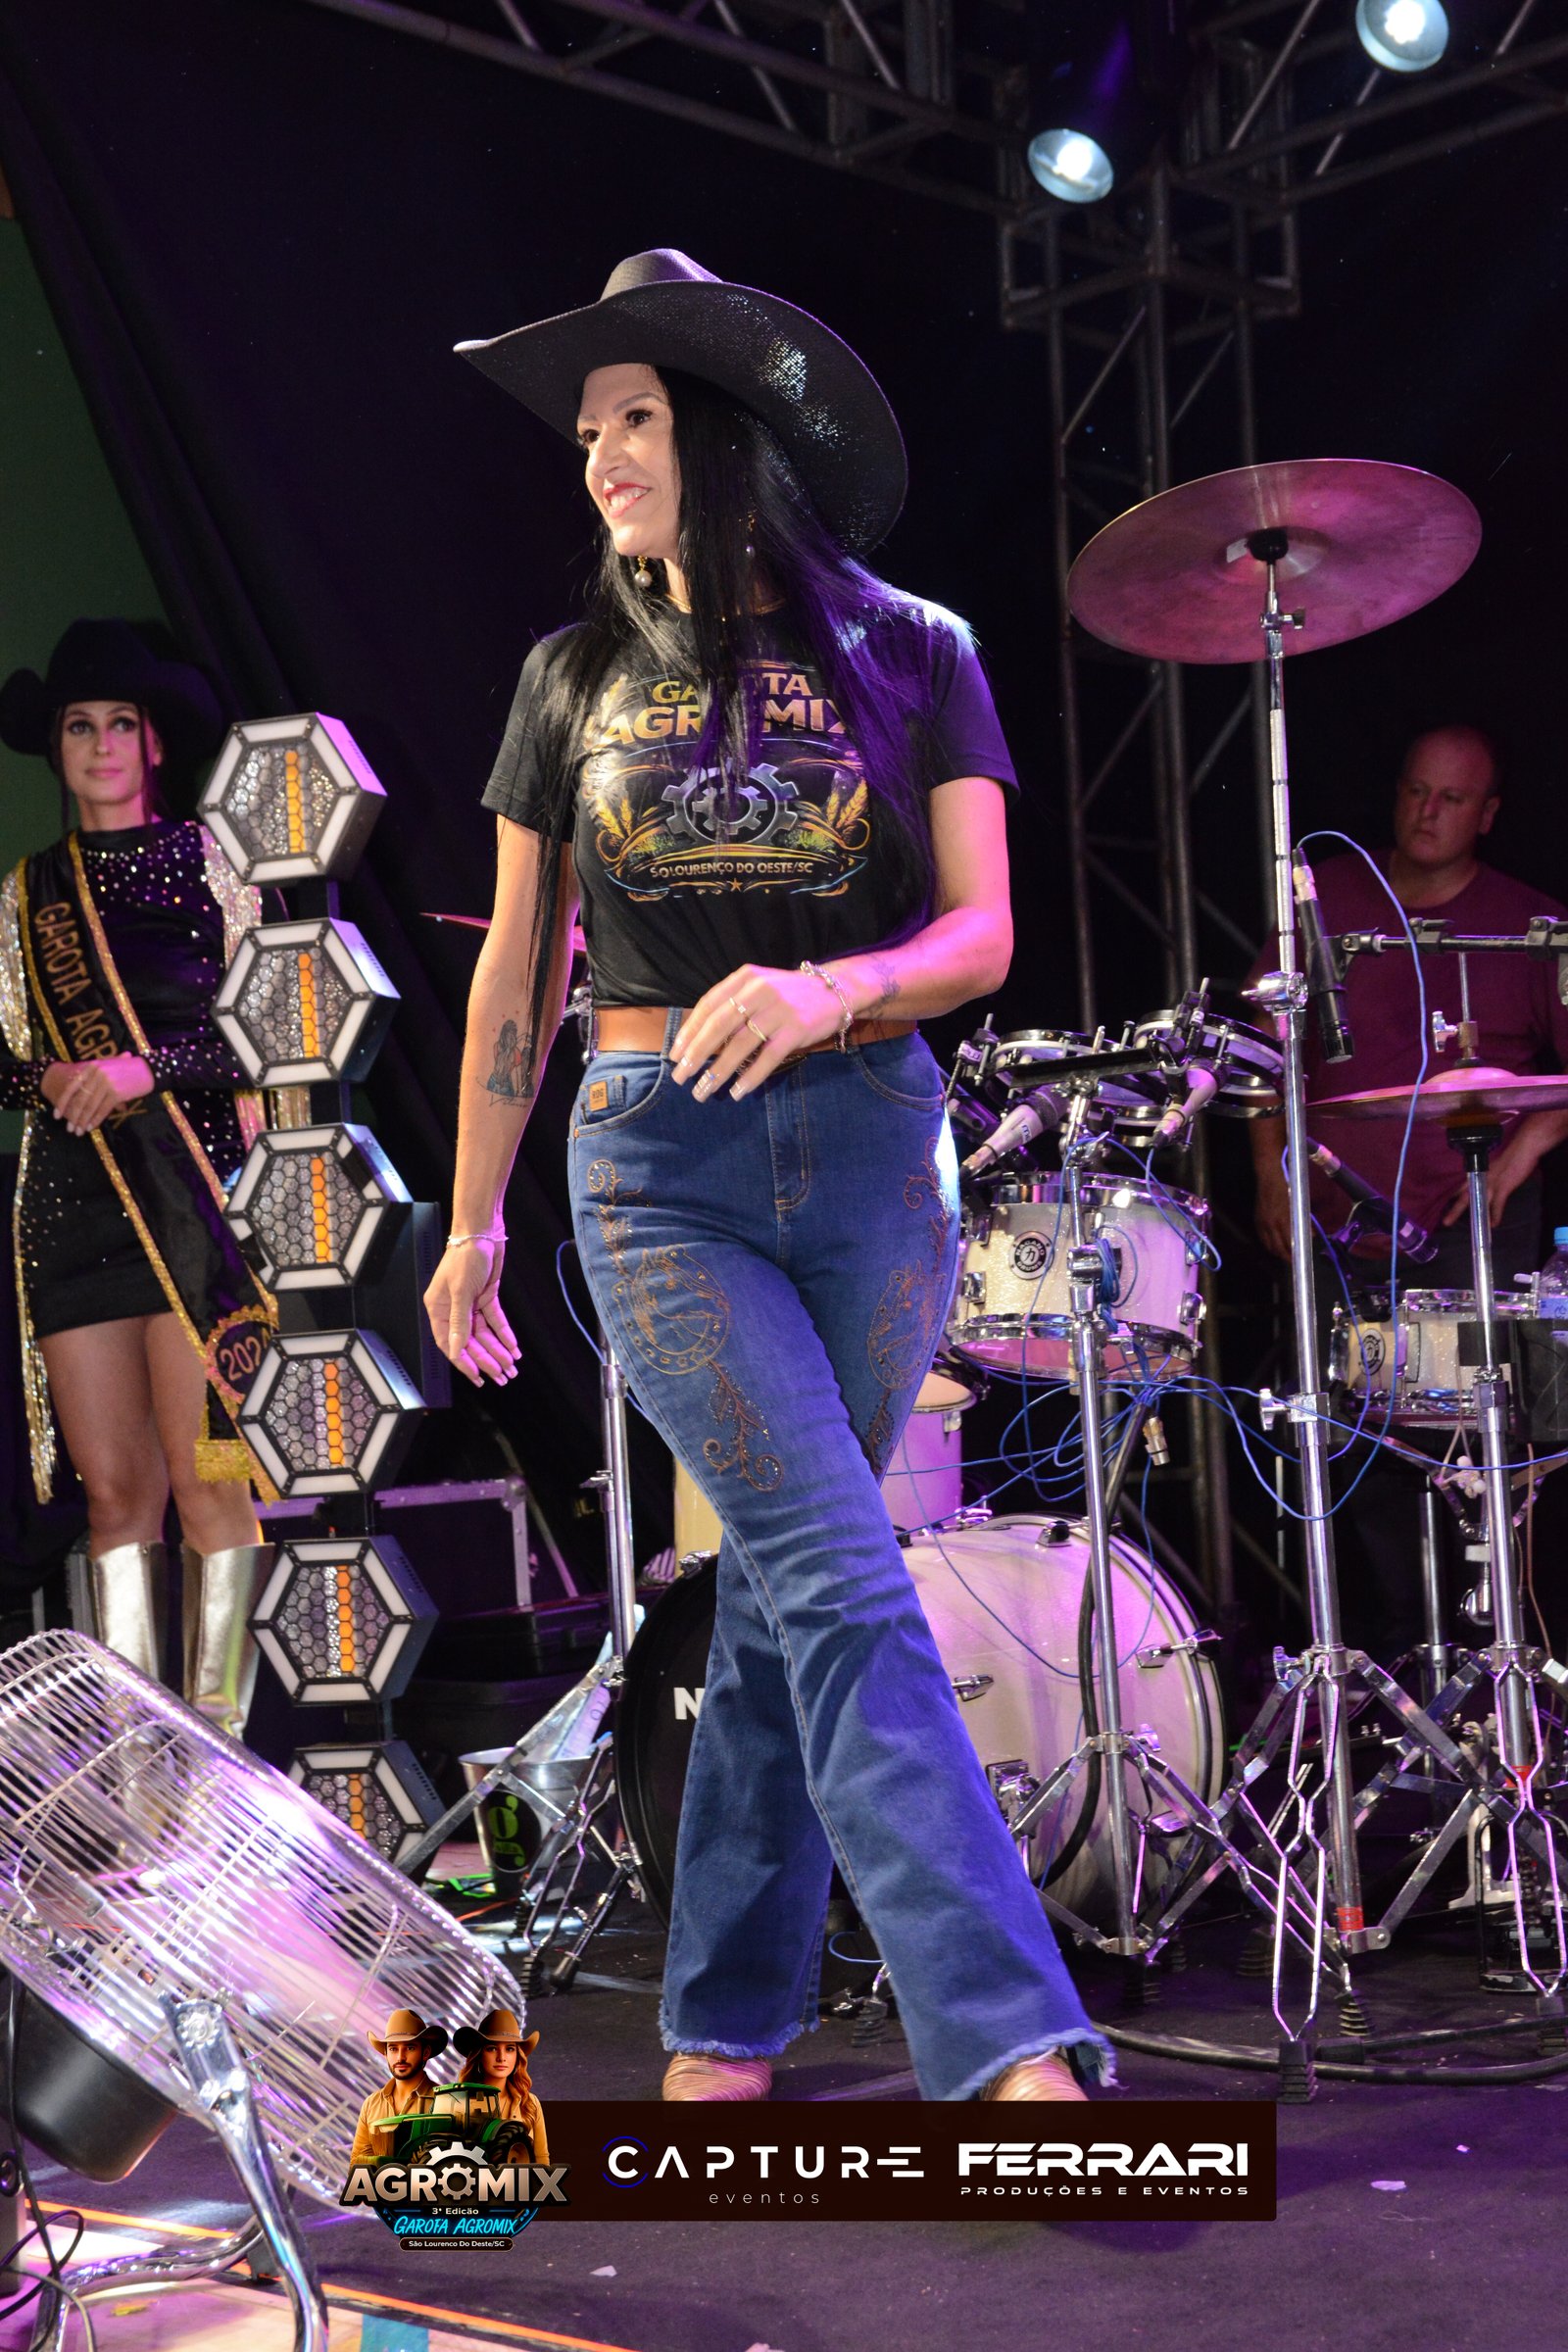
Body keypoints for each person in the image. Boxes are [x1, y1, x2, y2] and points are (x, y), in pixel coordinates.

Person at [425, 249, 1109, 2105]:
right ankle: (1008, 2029)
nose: (599, 458)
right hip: (660, 1167)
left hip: (878, 1146)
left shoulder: (916, 649)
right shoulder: (570, 676)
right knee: (841, 1574)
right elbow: (516, 971)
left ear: (726, 434)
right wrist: (474, 1214)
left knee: (783, 1587)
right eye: (587, 431)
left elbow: (980, 934)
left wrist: (833, 987)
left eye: (634, 418)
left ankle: (724, 2011)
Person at [0, 619, 276, 1732]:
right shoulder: (26, 895)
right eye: (81, 726)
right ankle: (135, 1772)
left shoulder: (218, 865)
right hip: (71, 1213)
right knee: (116, 1496)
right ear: (58, 749)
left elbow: (275, 1026)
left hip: (195, 1203)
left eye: (122, 724)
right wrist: (51, 1079)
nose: (102, 744)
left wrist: (144, 1067)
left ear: (155, 742)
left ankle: (222, 1754)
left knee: (213, 1481)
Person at [1250, 722, 1568, 1652]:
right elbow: (1267, 1055)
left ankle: (1493, 1657)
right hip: (1340, 1225)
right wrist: (1269, 1171)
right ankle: (1404, 1659)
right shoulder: (1325, 904)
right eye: (1416, 791)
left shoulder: (1529, 925)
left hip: (1472, 1225)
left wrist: (1517, 1155)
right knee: (1358, 1447)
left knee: (1477, 1453)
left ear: (1488, 814)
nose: (1428, 813)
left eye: (1452, 799)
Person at [348, 2006, 447, 2168]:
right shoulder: (371, 2105)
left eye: (410, 2048)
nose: (400, 2057)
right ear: (385, 2054)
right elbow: (357, 2165)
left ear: (425, 2053)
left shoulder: (447, 2102)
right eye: (393, 2049)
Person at [450, 2007, 547, 2162]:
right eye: (492, 2048)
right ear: (479, 2054)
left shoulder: (530, 2103)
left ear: (518, 2055)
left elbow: (542, 2159)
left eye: (509, 2049)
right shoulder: (458, 2102)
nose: (501, 2057)